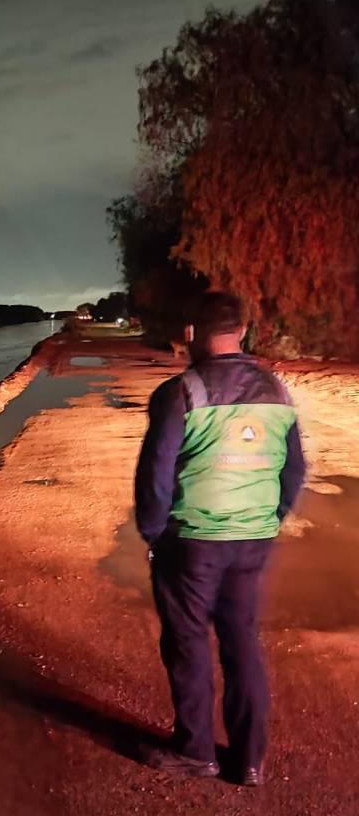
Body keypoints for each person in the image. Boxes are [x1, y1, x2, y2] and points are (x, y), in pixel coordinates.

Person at [134, 292, 305, 786]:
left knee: (188, 642)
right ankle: (249, 760)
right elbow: (294, 470)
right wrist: (269, 518)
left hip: (192, 541)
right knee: (241, 643)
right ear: (244, 331)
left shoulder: (180, 392)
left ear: (191, 332)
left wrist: (153, 534)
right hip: (253, 540)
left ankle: (196, 752)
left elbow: (156, 477)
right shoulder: (278, 391)